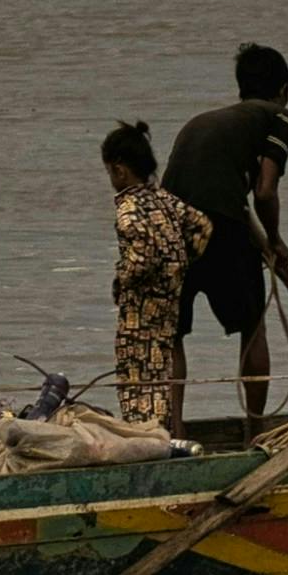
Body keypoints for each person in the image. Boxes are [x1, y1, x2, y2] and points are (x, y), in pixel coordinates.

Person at [161, 45, 288, 424]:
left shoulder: (206, 123)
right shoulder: (280, 117)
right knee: (252, 327)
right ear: (283, 89)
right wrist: (278, 237)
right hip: (220, 226)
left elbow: (236, 209)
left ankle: (173, 433)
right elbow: (263, 193)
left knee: (172, 335)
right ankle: (255, 430)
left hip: (168, 229)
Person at [101, 120, 209, 432]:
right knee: (161, 367)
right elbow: (202, 225)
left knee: (137, 376)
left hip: (140, 308)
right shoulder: (164, 199)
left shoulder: (128, 207)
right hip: (168, 303)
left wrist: (122, 279)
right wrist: (179, 263)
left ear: (120, 170)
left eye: (110, 172)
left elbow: (140, 257)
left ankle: (146, 435)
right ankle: (168, 429)